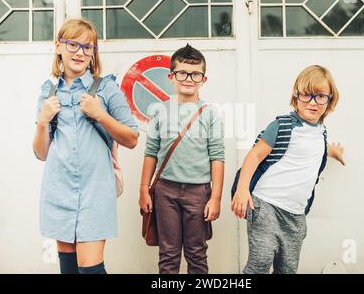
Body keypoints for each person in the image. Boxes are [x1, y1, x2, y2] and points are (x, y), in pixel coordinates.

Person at [33, 18, 139, 274]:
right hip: (58, 191)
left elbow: (132, 138)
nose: (80, 53)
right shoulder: (49, 92)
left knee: (89, 269)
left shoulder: (107, 88)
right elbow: (41, 152)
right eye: (73, 45)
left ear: (93, 53)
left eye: (87, 47)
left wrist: (100, 114)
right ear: (58, 47)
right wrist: (42, 121)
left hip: (95, 192)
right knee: (68, 269)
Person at [231, 65, 345, 274]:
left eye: (320, 97)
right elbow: (254, 156)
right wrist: (242, 190)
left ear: (329, 101)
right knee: (261, 261)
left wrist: (332, 152)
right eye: (306, 95)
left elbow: (309, 150)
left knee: (288, 268)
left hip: (296, 215)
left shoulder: (321, 133)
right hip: (265, 206)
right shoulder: (282, 126)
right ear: (296, 96)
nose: (313, 102)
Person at [139, 44, 225, 274]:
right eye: (182, 73)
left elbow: (217, 156)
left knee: (196, 252)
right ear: (171, 76)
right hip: (165, 191)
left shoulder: (210, 113)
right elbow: (150, 152)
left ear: (203, 79)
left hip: (199, 192)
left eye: (195, 74)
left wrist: (215, 197)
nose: (189, 78)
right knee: (168, 253)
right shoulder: (159, 110)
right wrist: (144, 189)